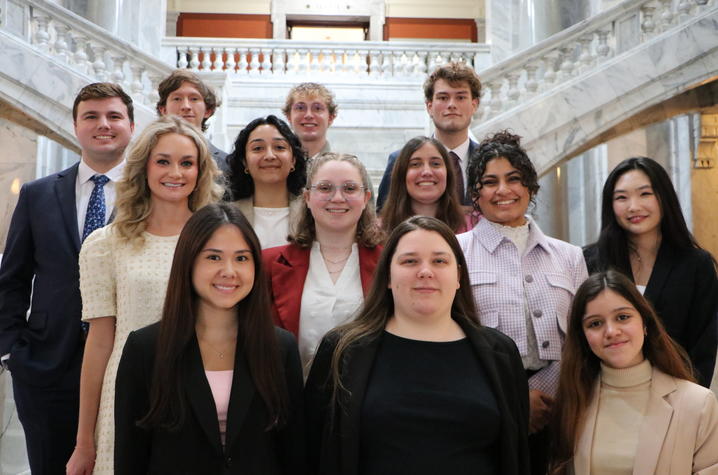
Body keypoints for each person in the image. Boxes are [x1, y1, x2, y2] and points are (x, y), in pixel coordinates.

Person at [305, 216, 529, 474]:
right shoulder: (341, 351)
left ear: (458, 276)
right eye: (410, 261)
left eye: (439, 261)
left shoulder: (500, 353)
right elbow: (311, 452)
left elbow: (519, 455)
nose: (425, 271)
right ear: (388, 275)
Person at [66, 116, 222, 475]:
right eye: (163, 161)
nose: (175, 173)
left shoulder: (218, 240)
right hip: (127, 395)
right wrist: (84, 441)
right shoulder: (105, 244)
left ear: (200, 171)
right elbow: (100, 343)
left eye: (187, 163)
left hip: (204, 393)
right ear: (144, 167)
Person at [0, 83, 134, 474]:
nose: (103, 125)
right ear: (75, 125)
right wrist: (11, 350)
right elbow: (12, 278)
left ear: (131, 124)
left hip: (124, 362)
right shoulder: (37, 194)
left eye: (113, 116)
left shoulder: (152, 194)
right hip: (45, 364)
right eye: (91, 116)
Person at [114, 203, 305, 474]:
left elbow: (294, 453)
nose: (229, 271)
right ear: (188, 262)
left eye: (241, 258)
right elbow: (130, 456)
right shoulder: (145, 348)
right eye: (213, 257)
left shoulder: (280, 348)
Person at [458, 130, 587, 475]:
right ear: (476, 193)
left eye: (514, 179)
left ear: (530, 186)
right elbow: (453, 340)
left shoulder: (570, 257)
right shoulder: (456, 252)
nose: (503, 191)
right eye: (490, 182)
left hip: (563, 414)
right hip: (486, 413)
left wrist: (564, 403)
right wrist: (515, 401)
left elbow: (582, 339)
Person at [549, 270, 718, 475]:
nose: (611, 331)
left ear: (645, 324)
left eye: (622, 317)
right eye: (595, 323)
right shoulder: (573, 402)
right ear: (583, 336)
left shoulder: (698, 403)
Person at [584, 156, 717, 387]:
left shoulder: (696, 264)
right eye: (622, 198)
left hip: (675, 395)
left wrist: (690, 402)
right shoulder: (590, 261)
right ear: (611, 205)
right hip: (605, 392)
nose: (633, 206)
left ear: (664, 198)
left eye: (645, 194)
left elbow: (703, 347)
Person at [262, 153, 384, 370]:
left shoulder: (388, 264)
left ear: (365, 198)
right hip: (290, 395)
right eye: (325, 188)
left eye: (349, 188)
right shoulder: (269, 263)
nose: (337, 198)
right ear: (307, 197)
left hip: (366, 399)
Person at [377, 62, 482, 210]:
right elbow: (384, 217)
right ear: (429, 106)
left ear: (474, 105)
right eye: (443, 98)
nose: (452, 104)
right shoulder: (400, 160)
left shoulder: (488, 161)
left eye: (460, 97)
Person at [227, 115, 307, 249]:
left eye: (279, 147)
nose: (269, 156)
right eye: (258, 148)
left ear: (293, 160)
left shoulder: (311, 213)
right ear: (244, 162)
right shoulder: (227, 214)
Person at [379, 136, 477, 233]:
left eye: (435, 164)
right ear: (402, 175)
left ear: (448, 173)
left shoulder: (474, 228)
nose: (427, 172)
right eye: (415, 164)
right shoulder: (379, 233)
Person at [156, 69, 229, 173]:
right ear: (163, 110)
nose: (186, 106)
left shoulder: (227, 164)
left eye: (194, 99)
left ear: (208, 110)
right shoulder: (148, 157)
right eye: (177, 99)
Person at [283, 82, 336, 160]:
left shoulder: (344, 168)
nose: (308, 115)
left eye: (317, 108)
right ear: (289, 116)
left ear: (330, 118)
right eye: (300, 108)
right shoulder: (278, 166)